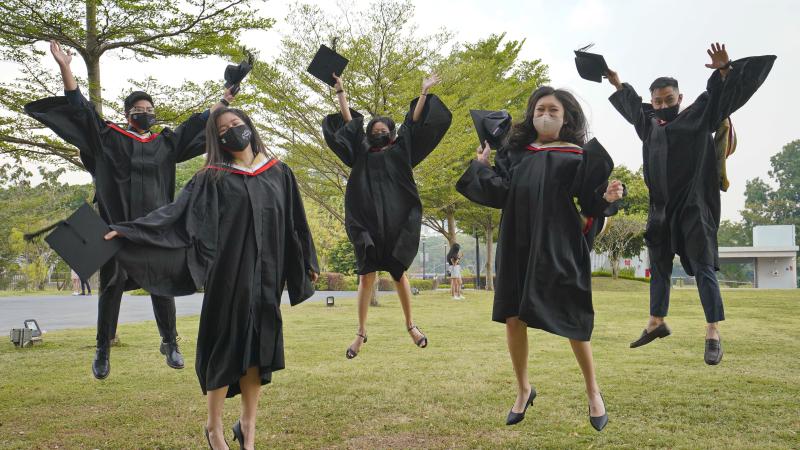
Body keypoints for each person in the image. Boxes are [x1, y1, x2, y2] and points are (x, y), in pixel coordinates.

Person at [106, 107, 319, 449]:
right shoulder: (212, 177)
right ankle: (214, 427)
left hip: (267, 275)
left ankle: (247, 427)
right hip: (228, 275)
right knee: (224, 345)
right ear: (216, 140)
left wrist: (308, 259)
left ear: (248, 125)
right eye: (223, 129)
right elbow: (175, 215)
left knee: (259, 350)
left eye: (236, 123)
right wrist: (130, 230)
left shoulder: (279, 172)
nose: (232, 130)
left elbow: (296, 221)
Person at [24, 41, 237, 379]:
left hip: (155, 229)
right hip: (116, 229)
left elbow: (198, 124)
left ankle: (170, 341)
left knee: (162, 284)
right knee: (111, 286)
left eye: (149, 108)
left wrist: (225, 99)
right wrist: (66, 67)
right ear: (127, 115)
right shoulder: (109, 139)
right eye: (138, 108)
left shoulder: (165, 143)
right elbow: (81, 110)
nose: (145, 112)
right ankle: (102, 348)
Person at [456, 86, 624, 430]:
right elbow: (501, 192)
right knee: (513, 317)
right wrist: (482, 167)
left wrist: (607, 197)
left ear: (566, 118)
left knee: (573, 314)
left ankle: (593, 391)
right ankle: (523, 389)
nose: (545, 115)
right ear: (532, 116)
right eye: (540, 110)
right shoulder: (516, 154)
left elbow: (590, 203)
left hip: (557, 244)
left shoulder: (578, 156)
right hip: (517, 240)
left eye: (553, 110)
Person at [606, 43, 775, 365]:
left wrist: (725, 70)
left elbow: (723, 97)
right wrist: (616, 82)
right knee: (659, 266)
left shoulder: (699, 116)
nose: (663, 105)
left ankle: (713, 332)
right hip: (660, 209)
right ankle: (656, 322)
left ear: (680, 98)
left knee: (703, 267)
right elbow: (632, 107)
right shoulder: (649, 124)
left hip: (694, 206)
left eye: (669, 100)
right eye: (658, 101)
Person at [322, 72, 452, 359]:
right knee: (366, 277)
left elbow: (413, 123)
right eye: (374, 129)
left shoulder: (402, 148)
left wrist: (423, 93)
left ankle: (411, 326)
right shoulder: (361, 150)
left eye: (384, 129)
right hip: (366, 220)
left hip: (396, 221)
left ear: (391, 132)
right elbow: (349, 123)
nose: (378, 132)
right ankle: (360, 333)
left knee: (398, 273)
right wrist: (341, 92)